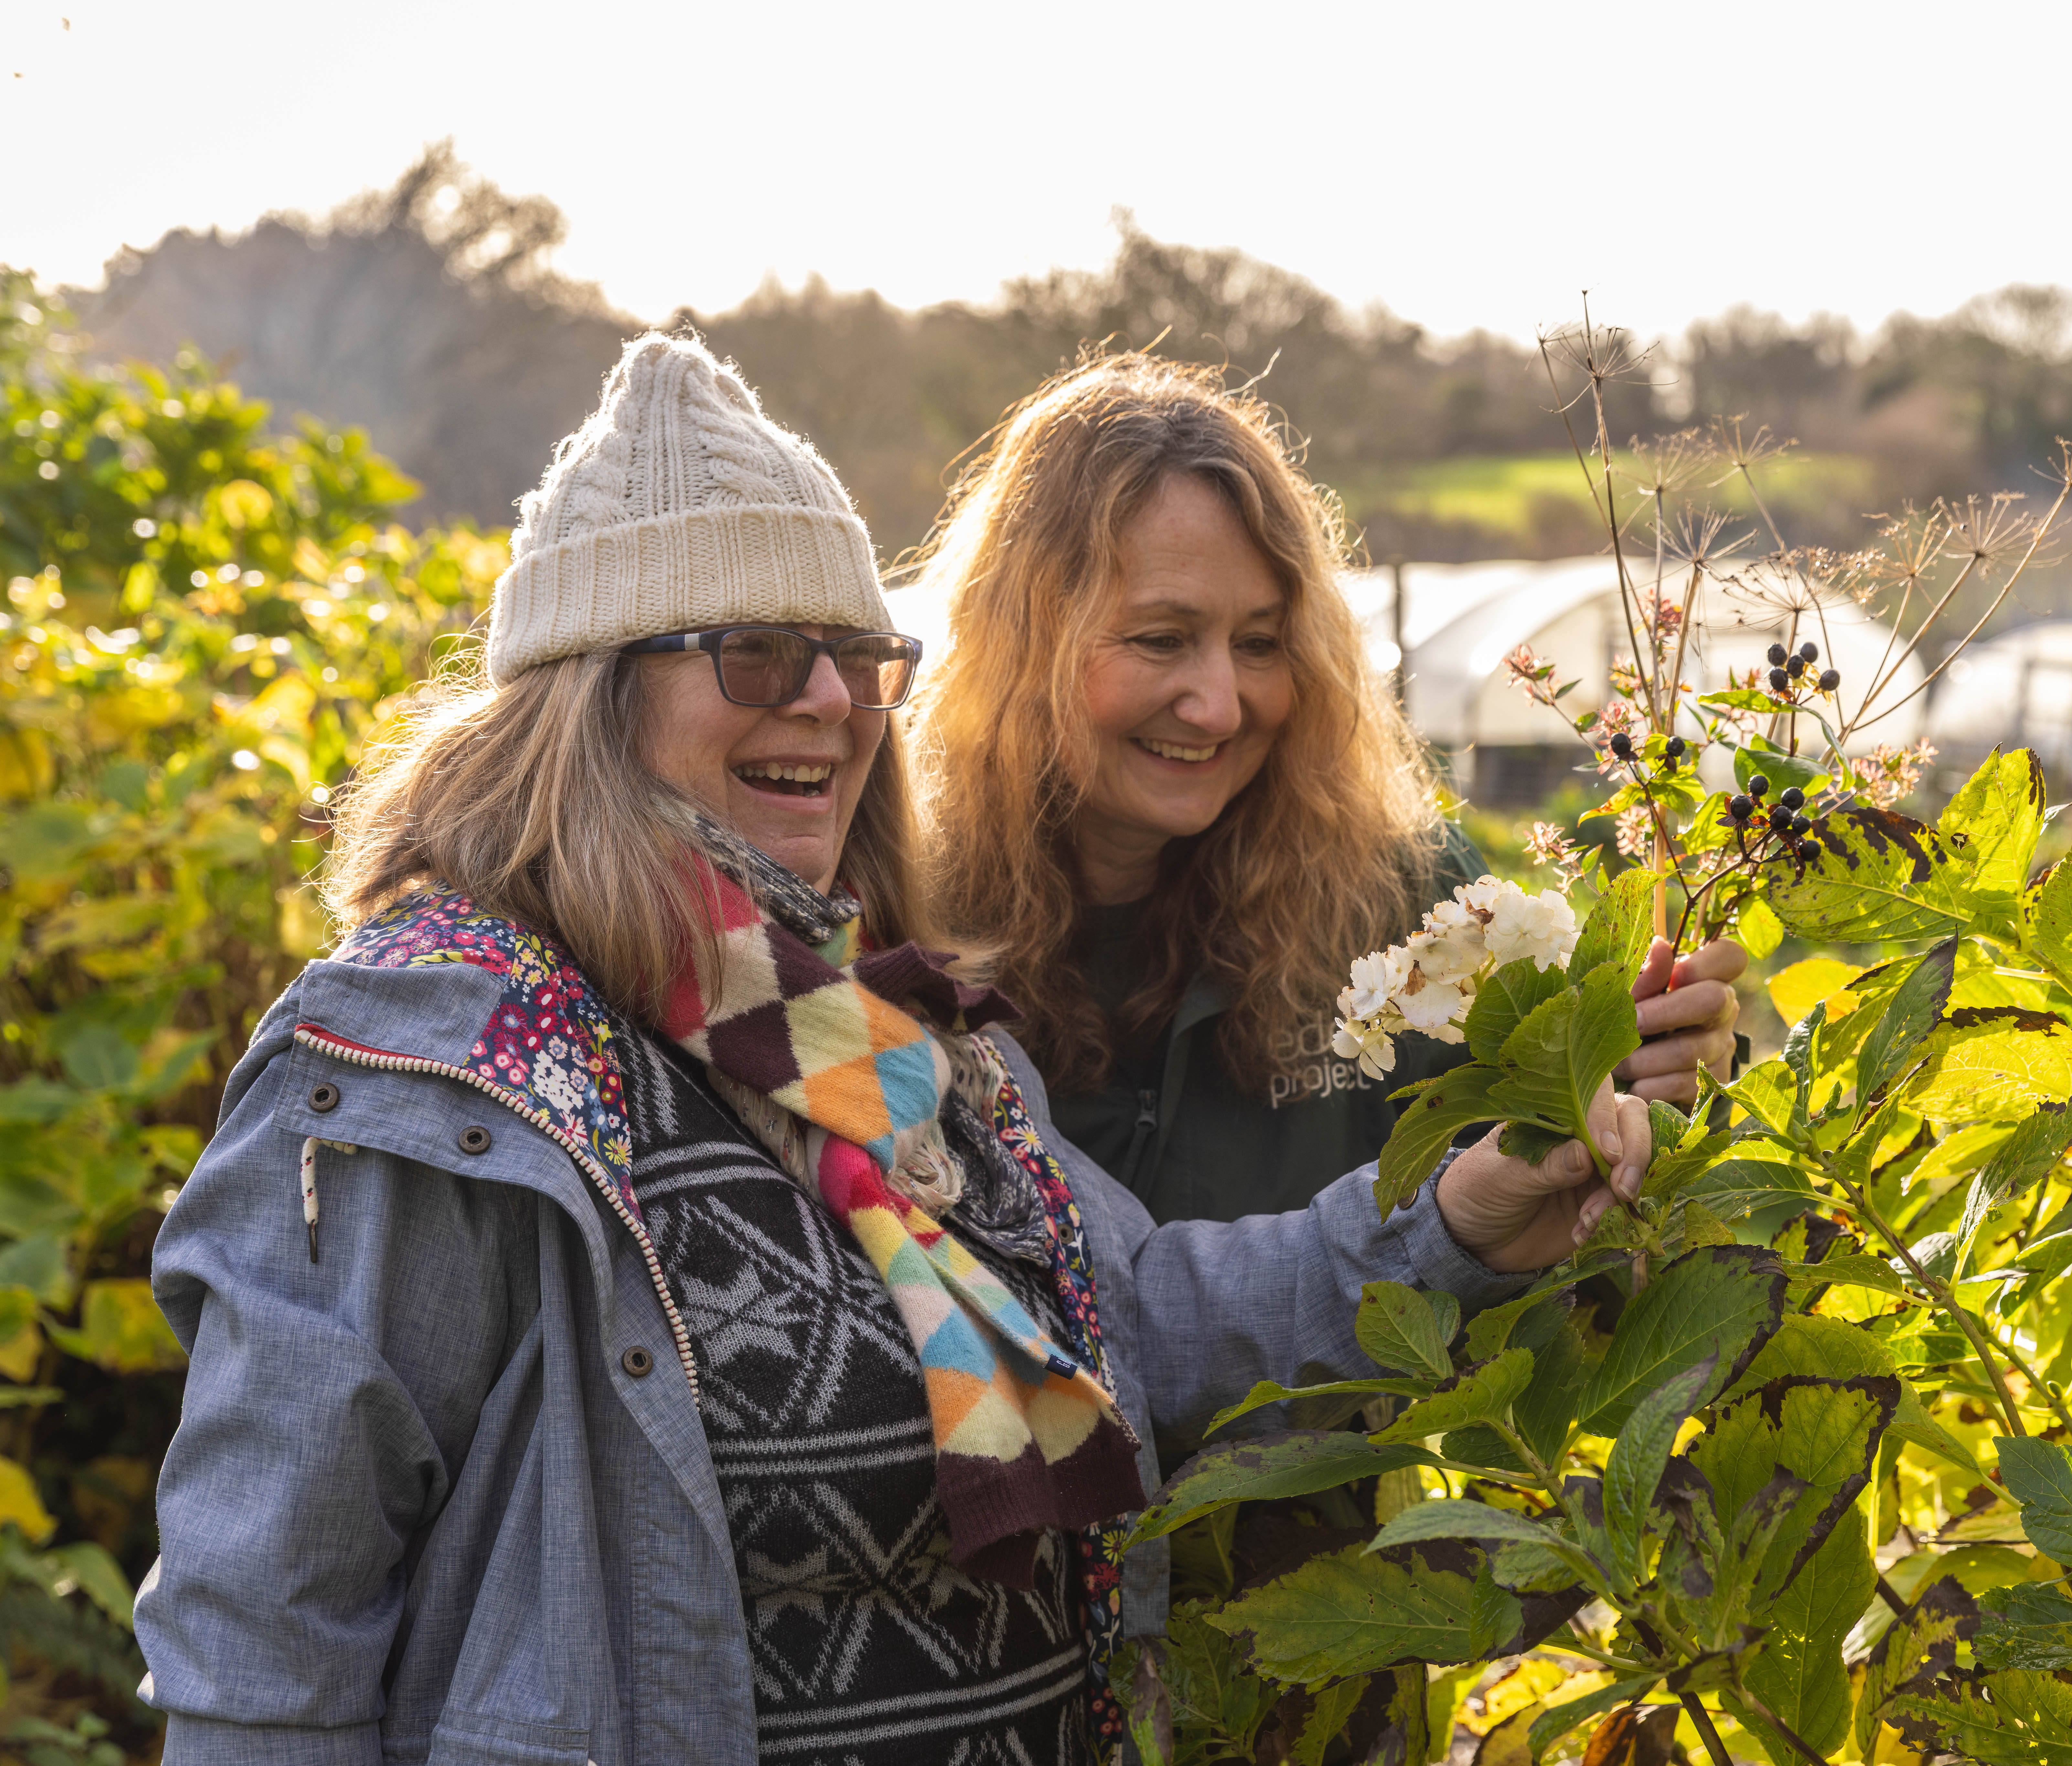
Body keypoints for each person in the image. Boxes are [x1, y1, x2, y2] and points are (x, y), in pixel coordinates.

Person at [133, 336, 1649, 1766]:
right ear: (590, 694)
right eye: (754, 651)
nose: (829, 700)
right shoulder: (441, 1070)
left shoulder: (852, 1025)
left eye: (857, 653)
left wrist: (1455, 1223)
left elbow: (1130, 1329)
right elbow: (262, 1626)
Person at [908, 356, 1745, 1227]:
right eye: (1162, 640)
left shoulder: (1394, 891)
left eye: (1263, 645)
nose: (1221, 705)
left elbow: (1546, 1217)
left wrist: (1645, 1078)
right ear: (1022, 644)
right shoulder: (906, 914)